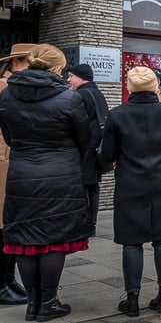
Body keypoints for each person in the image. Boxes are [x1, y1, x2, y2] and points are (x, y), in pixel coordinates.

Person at [0, 44, 92, 321]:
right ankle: (48, 302)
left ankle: (32, 303)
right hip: (60, 175)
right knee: (53, 239)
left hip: (21, 174)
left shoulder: (7, 96)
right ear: (57, 68)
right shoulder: (68, 98)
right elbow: (84, 139)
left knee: (25, 239)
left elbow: (9, 135)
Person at [100, 67, 161, 317]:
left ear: (130, 87)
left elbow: (107, 155)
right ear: (154, 87)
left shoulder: (117, 115)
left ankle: (132, 299)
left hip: (131, 184)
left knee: (131, 242)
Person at [0, 44, 34, 307]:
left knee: (9, 225)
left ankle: (8, 279)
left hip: (13, 162)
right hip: (4, 162)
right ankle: (2, 284)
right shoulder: (5, 89)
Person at [65, 63, 108, 236]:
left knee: (82, 187)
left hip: (84, 149)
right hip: (97, 148)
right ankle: (92, 224)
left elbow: (77, 124)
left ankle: (84, 225)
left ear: (81, 77)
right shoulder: (97, 93)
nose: (68, 80)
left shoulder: (80, 95)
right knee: (93, 186)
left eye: (71, 76)